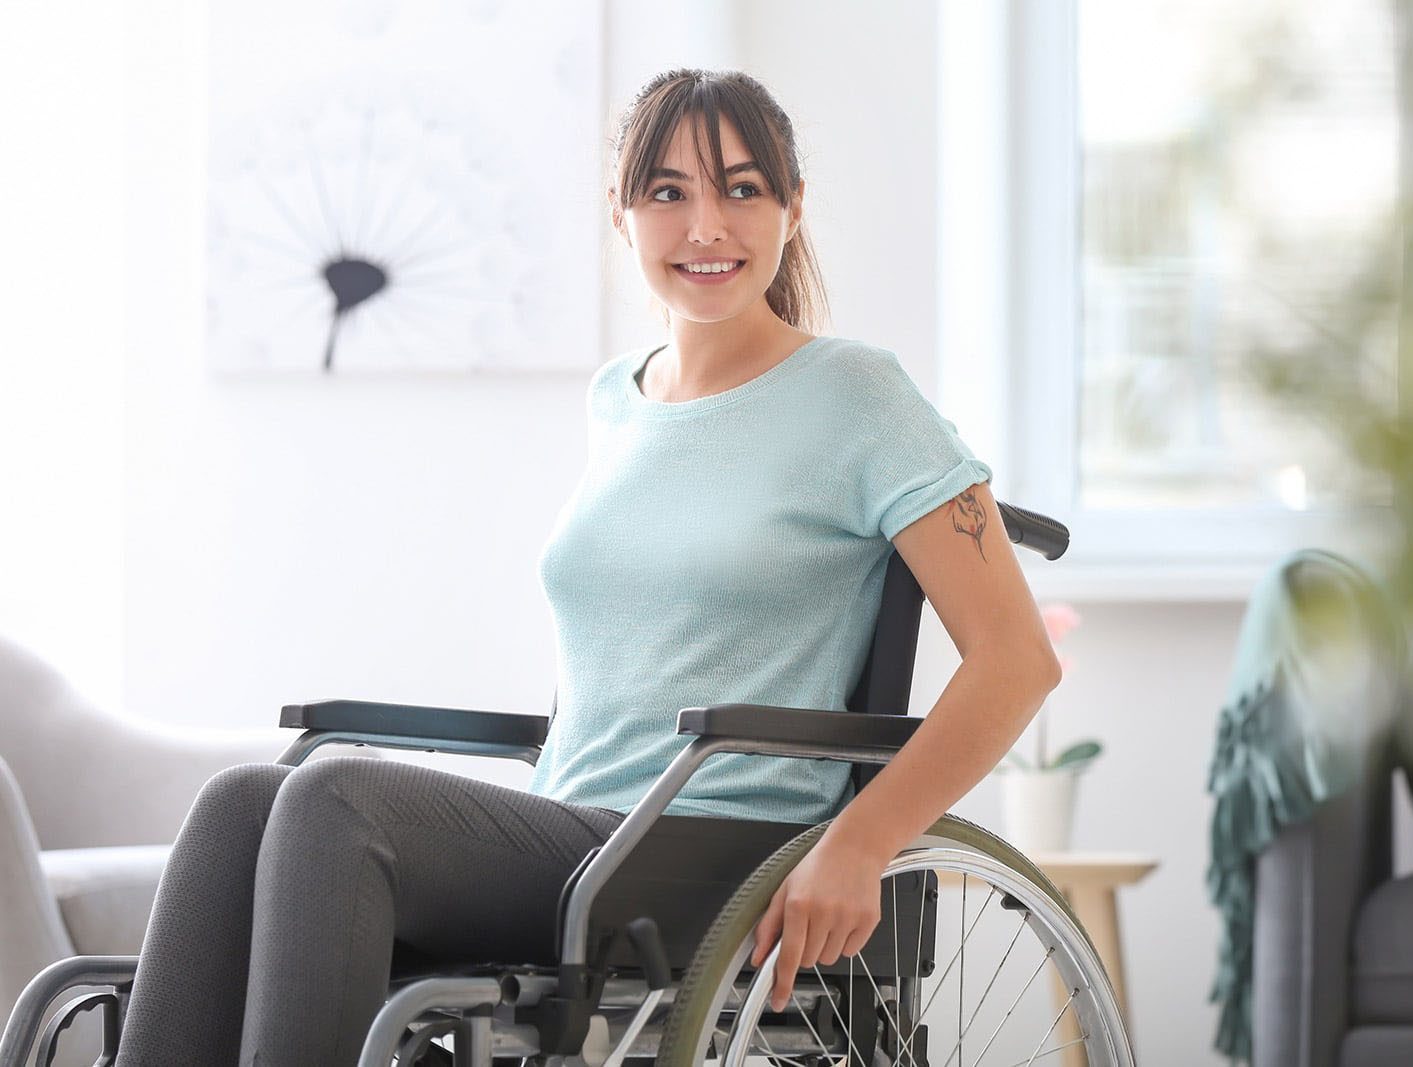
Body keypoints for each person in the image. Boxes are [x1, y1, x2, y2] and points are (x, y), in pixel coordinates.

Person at [93, 67, 1064, 1065]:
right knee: (238, 802)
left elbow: (1015, 659)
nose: (705, 227)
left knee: (333, 798)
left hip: (711, 840)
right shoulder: (618, 400)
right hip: (577, 828)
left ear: (792, 206)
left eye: (740, 188)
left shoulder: (858, 393)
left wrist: (861, 842)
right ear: (622, 211)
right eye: (667, 192)